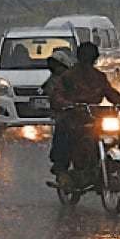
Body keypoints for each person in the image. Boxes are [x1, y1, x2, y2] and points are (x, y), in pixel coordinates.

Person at [51, 42, 120, 188]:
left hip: (96, 116)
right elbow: (57, 95)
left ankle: (103, 166)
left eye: (90, 59)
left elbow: (110, 92)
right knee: (64, 130)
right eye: (85, 58)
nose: (87, 63)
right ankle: (61, 168)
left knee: (116, 132)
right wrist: (67, 104)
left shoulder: (99, 77)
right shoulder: (68, 76)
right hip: (74, 116)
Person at [43, 49, 77, 179]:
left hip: (80, 113)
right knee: (63, 133)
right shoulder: (54, 81)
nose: (56, 68)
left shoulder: (74, 76)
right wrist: (66, 104)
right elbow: (53, 96)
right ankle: (60, 165)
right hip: (65, 114)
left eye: (58, 65)